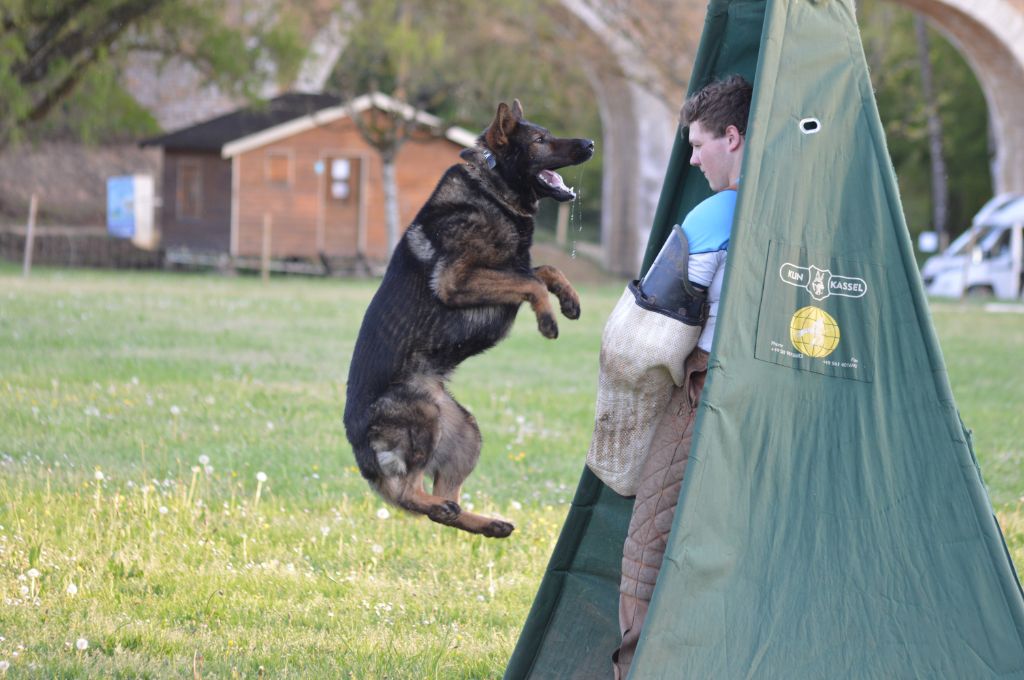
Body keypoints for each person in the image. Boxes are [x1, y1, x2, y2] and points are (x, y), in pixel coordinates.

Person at [612, 74, 752, 679]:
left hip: (707, 391)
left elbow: (654, 326)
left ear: (733, 137)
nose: (692, 160)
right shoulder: (809, 209)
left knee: (651, 544)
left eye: (699, 145)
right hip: (778, 405)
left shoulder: (717, 212)